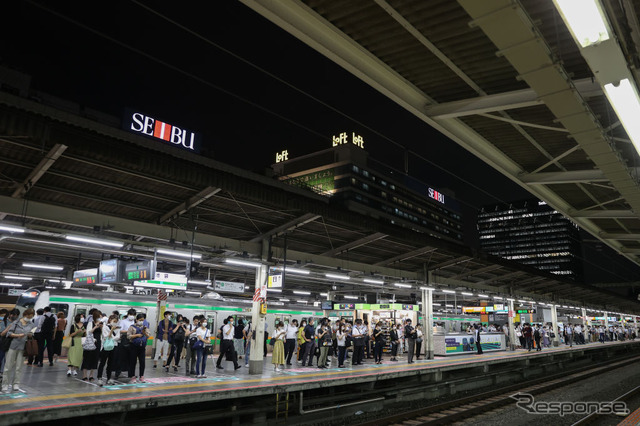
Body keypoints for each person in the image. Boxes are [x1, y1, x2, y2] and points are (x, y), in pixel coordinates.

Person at [1, 308, 35, 393]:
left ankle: (16, 384)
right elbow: (9, 333)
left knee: (19, 367)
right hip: (13, 346)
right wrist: (18, 335)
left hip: (23, 348)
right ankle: (5, 384)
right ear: (25, 315)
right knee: (8, 367)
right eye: (28, 316)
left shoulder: (31, 324)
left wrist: (30, 335)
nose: (29, 318)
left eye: (31, 317)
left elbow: (31, 333)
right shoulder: (16, 323)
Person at [97, 314, 120, 386]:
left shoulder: (118, 328)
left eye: (116, 321)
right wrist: (112, 331)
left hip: (114, 346)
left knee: (111, 363)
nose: (115, 323)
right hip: (106, 346)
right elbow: (105, 336)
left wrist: (111, 338)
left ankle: (109, 378)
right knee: (102, 362)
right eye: (114, 321)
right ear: (110, 320)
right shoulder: (105, 327)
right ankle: (99, 378)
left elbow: (118, 337)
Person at [128, 313, 150, 383]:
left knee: (142, 362)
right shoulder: (132, 327)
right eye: (140, 320)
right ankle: (132, 376)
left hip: (142, 347)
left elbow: (148, 336)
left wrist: (144, 332)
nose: (141, 321)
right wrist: (136, 335)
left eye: (142, 320)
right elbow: (128, 336)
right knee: (133, 362)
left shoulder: (145, 327)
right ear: (136, 320)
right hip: (133, 346)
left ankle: (141, 376)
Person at [81, 310, 103, 381]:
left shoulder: (102, 324)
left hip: (98, 342)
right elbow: (88, 332)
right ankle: (84, 375)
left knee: (95, 359)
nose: (100, 318)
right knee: (86, 358)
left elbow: (103, 334)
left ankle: (91, 375)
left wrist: (102, 327)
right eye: (99, 317)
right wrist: (96, 327)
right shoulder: (90, 323)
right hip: (90, 342)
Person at [115, 308, 136, 379]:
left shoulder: (135, 322)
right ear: (128, 314)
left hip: (133, 341)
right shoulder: (123, 321)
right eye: (130, 314)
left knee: (131, 358)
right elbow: (120, 330)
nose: (132, 316)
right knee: (121, 357)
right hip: (124, 340)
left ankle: (131, 373)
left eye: (133, 315)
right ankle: (117, 372)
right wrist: (129, 331)